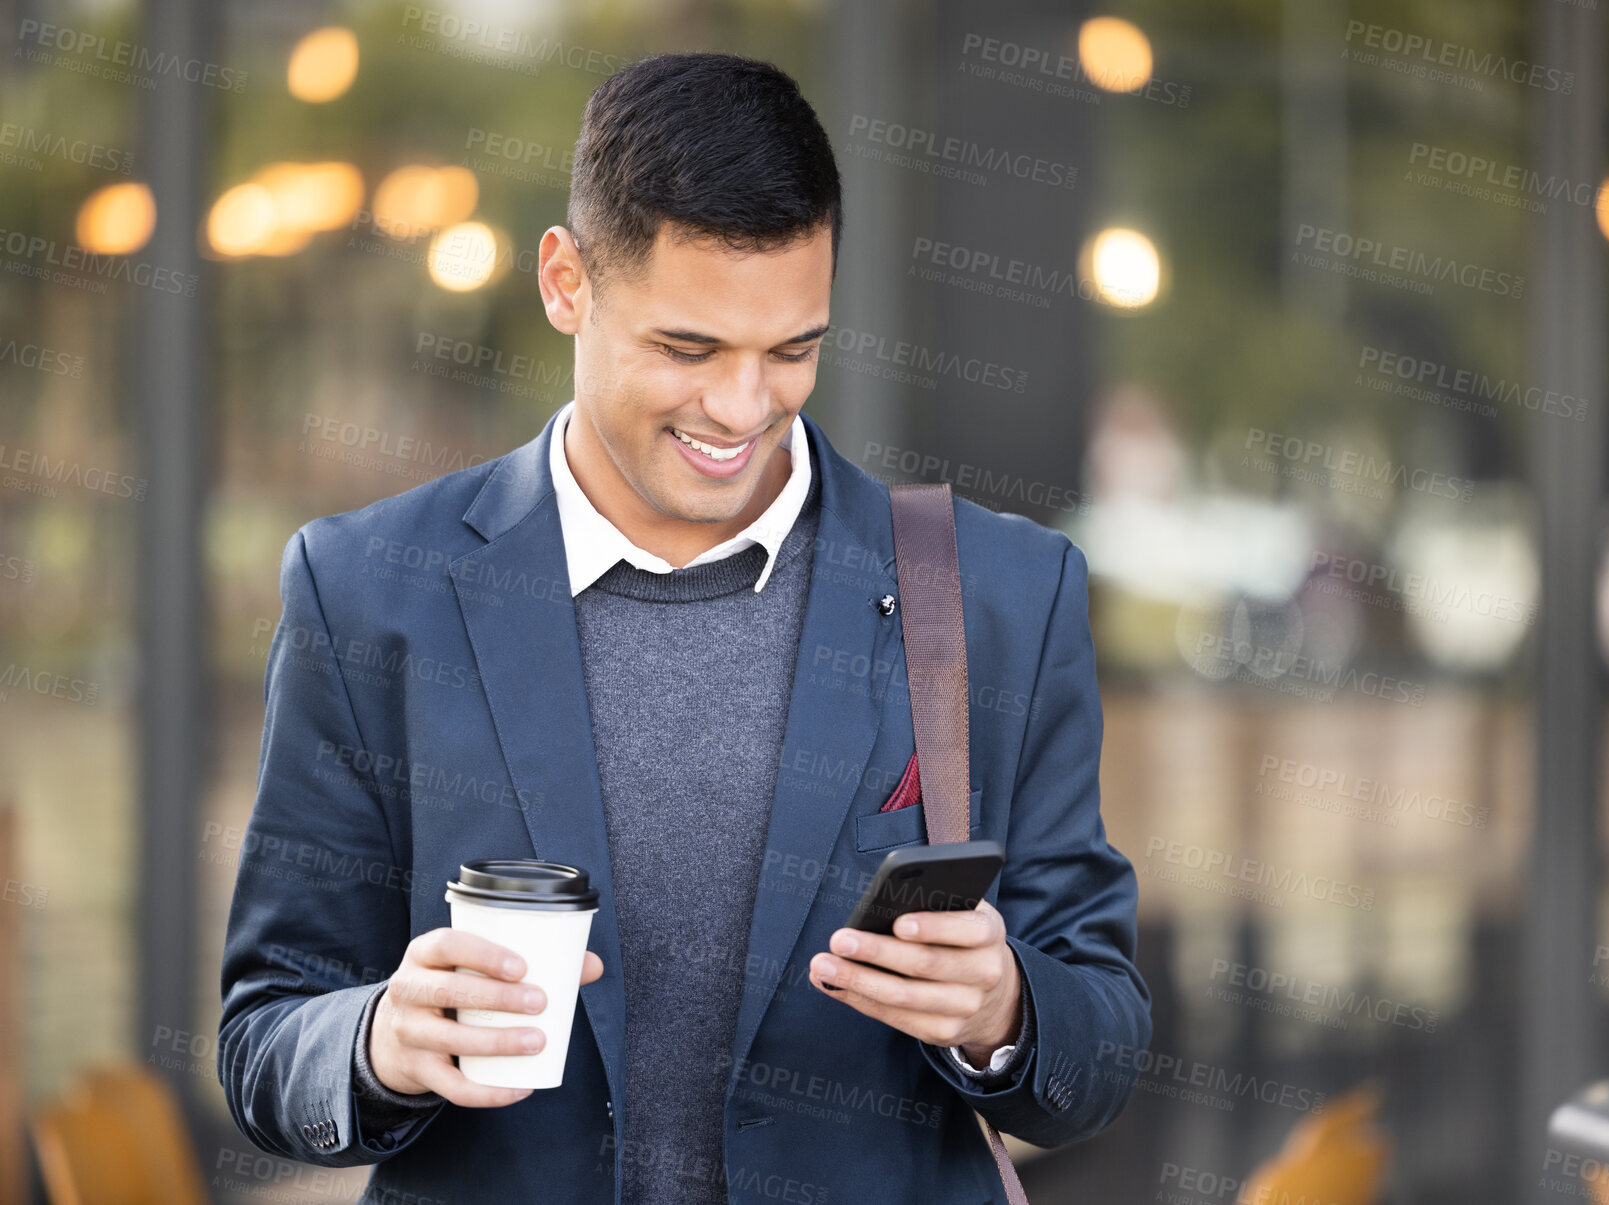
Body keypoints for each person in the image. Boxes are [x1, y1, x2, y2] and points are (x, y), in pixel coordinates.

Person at [217, 50, 1151, 1205]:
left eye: (793, 350)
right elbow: (264, 1037)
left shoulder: (1002, 592)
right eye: (687, 348)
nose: (743, 407)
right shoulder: (366, 589)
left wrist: (1006, 1010)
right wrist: (376, 1041)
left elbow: (1102, 1041)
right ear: (567, 282)